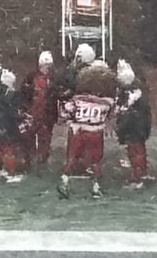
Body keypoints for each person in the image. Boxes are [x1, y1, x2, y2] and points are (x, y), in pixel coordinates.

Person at [59, 59, 116, 199]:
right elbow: (112, 115)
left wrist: (71, 119)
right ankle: (95, 187)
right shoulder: (108, 102)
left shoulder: (77, 99)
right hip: (96, 132)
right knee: (95, 159)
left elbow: (65, 112)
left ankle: (65, 182)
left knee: (72, 157)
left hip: (78, 131)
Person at [114, 60, 151, 188]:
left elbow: (123, 110)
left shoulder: (130, 94)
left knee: (134, 150)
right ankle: (142, 171)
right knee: (139, 149)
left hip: (133, 127)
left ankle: (137, 176)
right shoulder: (138, 91)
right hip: (139, 126)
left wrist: (121, 128)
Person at [20, 51, 57, 166]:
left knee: (45, 139)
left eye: (49, 66)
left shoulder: (54, 79)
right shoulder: (31, 77)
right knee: (28, 137)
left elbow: (56, 96)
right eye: (45, 66)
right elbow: (24, 94)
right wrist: (24, 109)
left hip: (47, 115)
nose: (46, 69)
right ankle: (28, 158)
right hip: (32, 113)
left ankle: (42, 159)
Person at [0, 69, 26, 183]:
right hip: (8, 126)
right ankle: (11, 173)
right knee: (9, 151)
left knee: (0, 148)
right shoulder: (11, 95)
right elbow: (13, 113)